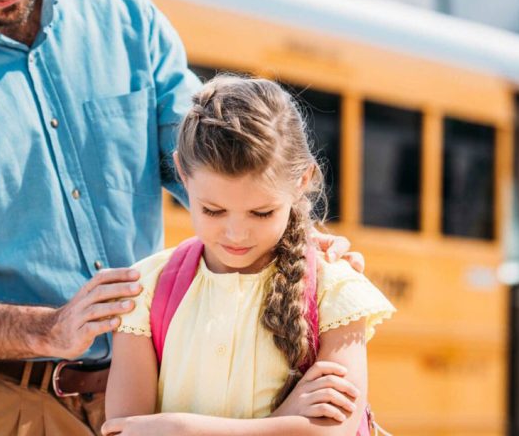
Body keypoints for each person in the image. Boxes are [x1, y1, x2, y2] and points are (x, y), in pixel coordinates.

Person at [0, 0, 362, 434]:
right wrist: (46, 330)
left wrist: (291, 236)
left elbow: (209, 164)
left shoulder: (126, 19)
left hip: (153, 395)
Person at [101, 76, 395, 436]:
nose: (236, 234)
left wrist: (178, 428)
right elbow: (121, 431)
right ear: (182, 173)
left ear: (302, 181)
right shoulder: (145, 288)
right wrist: (281, 420)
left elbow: (333, 431)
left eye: (261, 213)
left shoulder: (334, 286)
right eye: (213, 211)